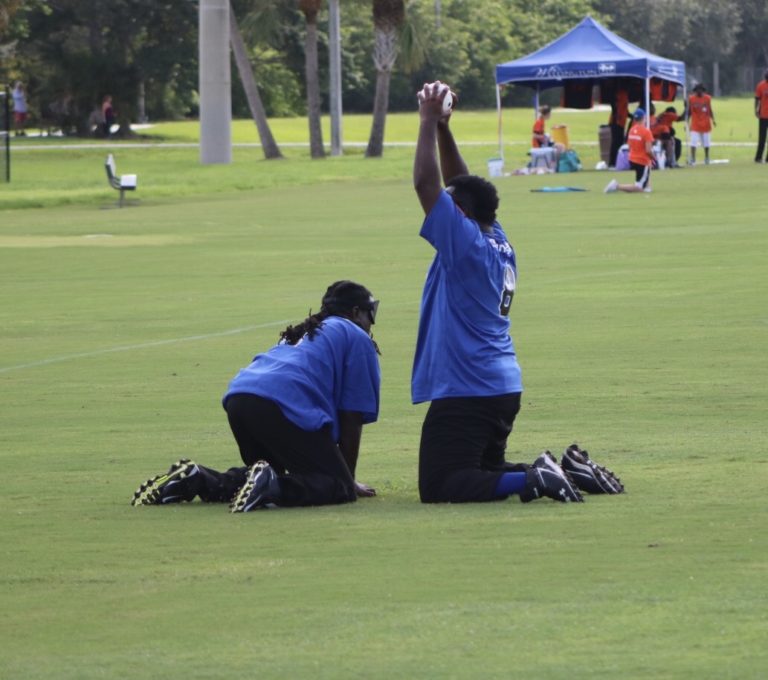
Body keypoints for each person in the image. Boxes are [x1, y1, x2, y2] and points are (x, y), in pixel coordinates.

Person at [411, 81, 624, 505]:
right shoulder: (495, 237)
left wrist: (427, 120)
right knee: (481, 472)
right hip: (500, 386)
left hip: (469, 389)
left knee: (441, 484)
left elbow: (426, 184)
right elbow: (460, 184)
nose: (445, 211)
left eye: (452, 208)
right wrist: (444, 130)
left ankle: (536, 480)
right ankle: (564, 471)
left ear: (463, 215)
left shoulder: (467, 247)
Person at [132, 281, 382, 512]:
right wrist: (346, 481)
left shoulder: (306, 331)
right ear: (355, 312)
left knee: (265, 474)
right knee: (334, 486)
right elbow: (351, 416)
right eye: (371, 313)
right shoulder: (356, 336)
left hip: (241, 399)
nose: (371, 322)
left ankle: (197, 479)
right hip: (278, 403)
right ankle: (271, 487)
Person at [604, 108, 654, 194]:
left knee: (643, 175)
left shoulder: (631, 130)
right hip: (642, 161)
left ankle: (646, 185)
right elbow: (648, 150)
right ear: (644, 118)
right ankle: (617, 186)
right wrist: (653, 158)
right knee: (639, 187)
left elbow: (630, 145)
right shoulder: (646, 132)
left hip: (632, 158)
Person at [688, 83, 716, 165]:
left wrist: (713, 119)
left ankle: (707, 157)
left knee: (706, 143)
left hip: (706, 124)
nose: (699, 92)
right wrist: (686, 120)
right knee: (693, 142)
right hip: (695, 124)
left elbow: (710, 109)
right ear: (695, 91)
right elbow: (689, 111)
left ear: (703, 90)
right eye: (697, 90)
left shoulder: (707, 98)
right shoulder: (691, 99)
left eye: (701, 90)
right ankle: (693, 158)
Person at [608, 86, 629, 168]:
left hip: (620, 122)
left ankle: (616, 162)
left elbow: (624, 109)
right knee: (616, 143)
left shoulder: (624, 95)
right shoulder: (620, 95)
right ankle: (612, 162)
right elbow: (616, 108)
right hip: (617, 122)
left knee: (619, 142)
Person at [754, 70, 768, 163]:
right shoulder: (760, 85)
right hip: (763, 115)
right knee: (762, 138)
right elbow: (757, 99)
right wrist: (756, 110)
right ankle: (758, 157)